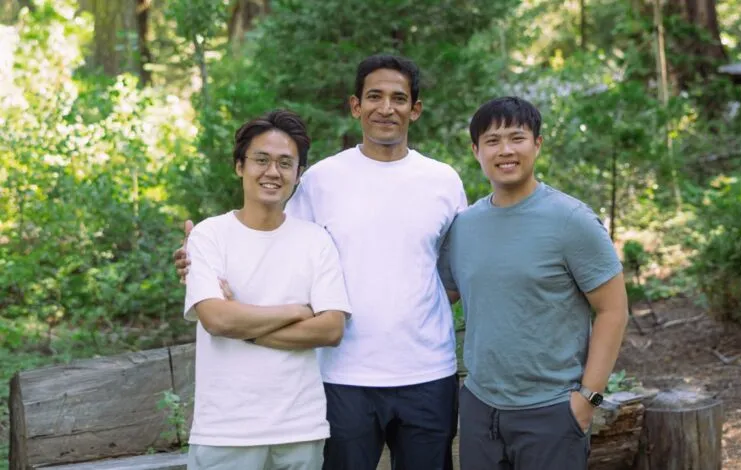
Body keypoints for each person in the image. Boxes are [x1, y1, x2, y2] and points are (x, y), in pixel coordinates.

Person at [176, 55, 466, 470]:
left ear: (415, 109)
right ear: (355, 105)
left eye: (399, 98)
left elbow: (457, 271)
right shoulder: (322, 179)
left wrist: (422, 303)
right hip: (340, 375)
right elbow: (274, 244)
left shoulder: (443, 180)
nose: (387, 107)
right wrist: (201, 260)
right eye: (375, 96)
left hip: (428, 372)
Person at [437, 96, 629, 470]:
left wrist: (586, 400)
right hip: (479, 408)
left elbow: (613, 310)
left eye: (517, 138)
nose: (505, 150)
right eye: (492, 141)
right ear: (476, 150)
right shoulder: (463, 226)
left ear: (537, 144)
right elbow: (440, 295)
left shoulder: (570, 220)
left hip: (552, 412)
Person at [183, 110, 351, 470]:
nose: (272, 172)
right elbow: (215, 319)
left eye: (285, 163)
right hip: (225, 433)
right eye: (261, 160)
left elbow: (331, 328)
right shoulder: (209, 235)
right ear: (240, 166)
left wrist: (242, 321)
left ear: (298, 174)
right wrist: (296, 311)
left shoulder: (315, 240)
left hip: (300, 430)